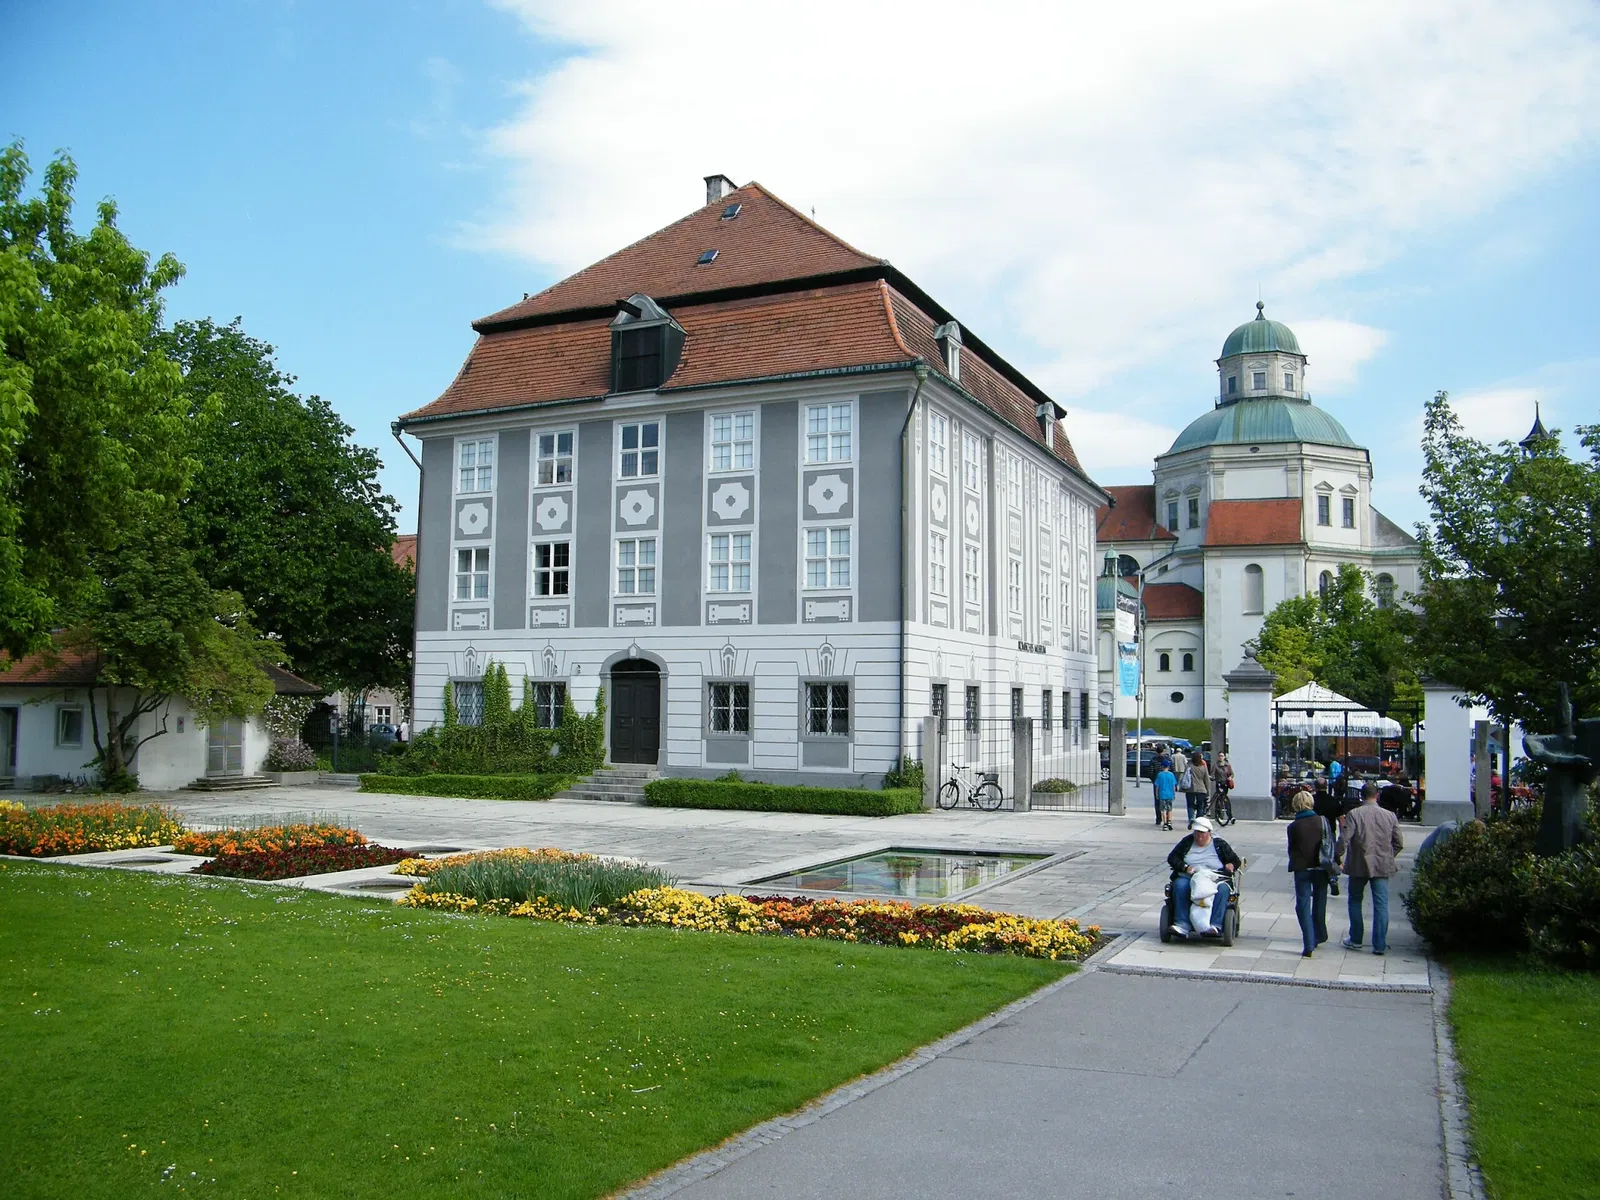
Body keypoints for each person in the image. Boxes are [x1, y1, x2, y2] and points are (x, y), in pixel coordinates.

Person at [1338, 781, 1404, 955]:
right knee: (1381, 904)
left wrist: (1338, 855)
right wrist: (1389, 856)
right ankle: (1379, 944)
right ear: (1377, 795)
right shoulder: (1390, 816)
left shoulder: (1354, 814)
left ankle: (1356, 939)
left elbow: (1344, 839)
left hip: (1359, 863)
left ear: (1361, 796)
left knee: (1354, 900)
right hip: (1382, 863)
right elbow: (1399, 843)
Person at [1167, 817, 1242, 938]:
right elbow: (1172, 858)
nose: (1198, 836)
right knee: (1180, 886)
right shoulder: (1187, 842)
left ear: (1209, 833)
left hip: (1215, 877)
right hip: (1191, 876)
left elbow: (1235, 861)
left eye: (1202, 833)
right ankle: (1182, 923)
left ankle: (1215, 925)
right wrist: (1185, 867)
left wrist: (1231, 865)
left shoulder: (1219, 844)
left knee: (1223, 890)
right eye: (1196, 833)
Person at [1286, 790, 1333, 957]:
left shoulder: (1293, 827)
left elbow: (1292, 849)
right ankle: (1319, 934)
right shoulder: (1322, 820)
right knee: (1320, 902)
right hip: (1321, 867)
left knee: (1302, 906)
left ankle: (1308, 943)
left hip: (1302, 869)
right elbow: (1329, 842)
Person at [1186, 754, 1212, 827]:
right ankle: (1199, 820)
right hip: (1201, 789)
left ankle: (1191, 818)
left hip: (1190, 789)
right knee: (1200, 806)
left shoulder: (1189, 766)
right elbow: (1206, 780)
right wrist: (1207, 791)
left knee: (1190, 805)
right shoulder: (1203, 768)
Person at [1153, 760, 1177, 831]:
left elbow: (1157, 786)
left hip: (1162, 794)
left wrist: (1157, 794)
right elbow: (1173, 786)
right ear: (1169, 767)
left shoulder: (1160, 775)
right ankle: (1169, 821)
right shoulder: (1171, 775)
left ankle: (1165, 824)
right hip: (1170, 794)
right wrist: (1173, 793)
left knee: (1163, 810)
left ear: (1162, 766)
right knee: (1169, 809)